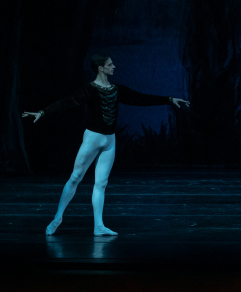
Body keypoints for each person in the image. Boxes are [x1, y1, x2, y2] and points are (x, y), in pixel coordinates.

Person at [21, 53, 189, 236]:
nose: (114, 66)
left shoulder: (117, 89)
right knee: (75, 177)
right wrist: (43, 113)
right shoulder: (90, 90)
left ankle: (99, 226)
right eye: (110, 64)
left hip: (110, 140)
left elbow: (140, 98)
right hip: (93, 138)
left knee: (101, 183)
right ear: (101, 68)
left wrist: (169, 99)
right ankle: (57, 217)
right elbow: (68, 102)